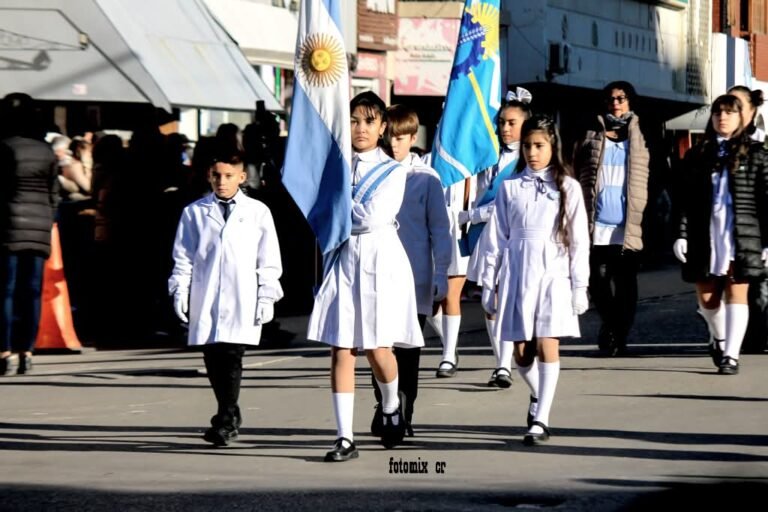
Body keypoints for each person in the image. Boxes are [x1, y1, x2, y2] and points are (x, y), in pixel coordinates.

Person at [307, 91, 423, 462]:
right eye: (355, 121)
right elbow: (322, 213)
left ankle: (391, 403)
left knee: (377, 348)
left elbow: (371, 217)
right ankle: (344, 437)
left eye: (369, 121)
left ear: (383, 127)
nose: (360, 128)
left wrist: (339, 206)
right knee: (341, 347)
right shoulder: (337, 167)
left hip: (380, 258)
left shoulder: (394, 171)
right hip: (345, 258)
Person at [479, 114, 590, 445]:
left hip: (552, 272)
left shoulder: (567, 187)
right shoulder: (510, 188)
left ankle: (541, 419)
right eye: (527, 146)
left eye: (539, 145)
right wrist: (489, 281)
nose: (532, 152)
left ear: (552, 146)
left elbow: (579, 239)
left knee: (547, 342)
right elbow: (496, 237)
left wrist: (579, 285)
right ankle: (540, 395)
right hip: (517, 272)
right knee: (522, 354)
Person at [168, 148, 283, 446]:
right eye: (216, 175)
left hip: (241, 295)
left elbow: (268, 258)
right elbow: (184, 256)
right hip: (206, 295)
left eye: (229, 176)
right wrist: (180, 288)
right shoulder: (194, 212)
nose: (222, 181)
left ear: (241, 177)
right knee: (213, 356)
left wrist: (267, 295)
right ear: (208, 175)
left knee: (232, 355)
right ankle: (227, 412)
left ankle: (226, 418)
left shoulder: (257, 212)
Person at [370, 103, 452, 437]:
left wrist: (441, 275)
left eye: (401, 138)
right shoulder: (371, 173)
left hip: (415, 277)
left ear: (413, 137)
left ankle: (404, 409)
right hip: (377, 273)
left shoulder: (426, 179)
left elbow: (440, 231)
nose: (394, 144)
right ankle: (385, 404)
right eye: (389, 136)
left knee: (407, 349)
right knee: (378, 345)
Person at [672, 93, 768, 375]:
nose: (722, 118)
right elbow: (684, 200)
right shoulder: (698, 155)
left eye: (728, 113)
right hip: (706, 234)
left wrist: (767, 242)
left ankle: (731, 356)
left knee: (737, 290)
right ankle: (720, 337)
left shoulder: (757, 154)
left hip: (742, 234)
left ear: (741, 118)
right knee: (708, 298)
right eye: (717, 113)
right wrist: (681, 233)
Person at [573, 80, 649, 356]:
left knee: (626, 285)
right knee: (597, 280)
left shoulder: (642, 133)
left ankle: (618, 335)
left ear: (630, 101)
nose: (616, 103)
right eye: (611, 99)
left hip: (629, 224)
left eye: (621, 98)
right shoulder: (592, 132)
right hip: (595, 222)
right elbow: (575, 169)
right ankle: (612, 325)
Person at [466, 87, 533, 387]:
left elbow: (508, 203)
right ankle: (501, 364)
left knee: (510, 300)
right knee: (489, 300)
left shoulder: (527, 159)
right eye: (502, 122)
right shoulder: (490, 155)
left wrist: (471, 215)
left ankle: (513, 360)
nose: (505, 128)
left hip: (514, 238)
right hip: (487, 237)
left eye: (512, 123)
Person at [0, 93, 58, 376]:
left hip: (7, 226)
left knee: (6, 291)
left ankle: (5, 351)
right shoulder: (45, 151)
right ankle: (27, 352)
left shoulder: (3, 147)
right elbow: (53, 194)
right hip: (39, 227)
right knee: (32, 291)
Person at [727, 85, 768, 355]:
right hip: (727, 232)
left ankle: (758, 337)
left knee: (760, 290)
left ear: (751, 111)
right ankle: (735, 337)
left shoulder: (762, 146)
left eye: (738, 105)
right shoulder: (716, 146)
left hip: (758, 229)